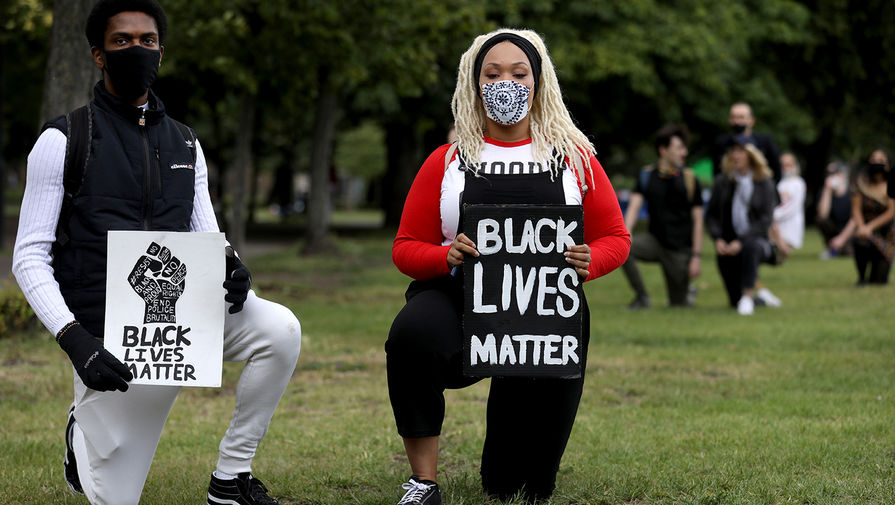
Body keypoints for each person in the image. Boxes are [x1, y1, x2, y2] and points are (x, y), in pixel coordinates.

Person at [11, 2, 301, 504]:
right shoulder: (62, 140)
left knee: (278, 329)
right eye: (122, 41)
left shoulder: (187, 143)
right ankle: (83, 427)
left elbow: (207, 234)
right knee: (116, 498)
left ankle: (231, 479)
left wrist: (232, 267)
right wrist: (76, 341)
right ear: (99, 56)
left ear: (161, 53)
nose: (136, 49)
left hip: (177, 323)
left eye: (147, 41)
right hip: (107, 337)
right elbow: (29, 256)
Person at [385, 28, 630, 504]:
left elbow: (615, 238)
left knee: (515, 488)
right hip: (456, 301)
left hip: (544, 313)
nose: (506, 84)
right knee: (411, 334)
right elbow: (405, 246)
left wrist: (591, 260)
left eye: (519, 74)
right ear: (474, 84)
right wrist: (444, 256)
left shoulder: (575, 159)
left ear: (539, 83)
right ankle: (423, 482)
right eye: (492, 73)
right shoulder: (447, 161)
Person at [621, 124, 703, 308]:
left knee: (678, 305)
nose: (684, 152)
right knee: (623, 250)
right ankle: (642, 297)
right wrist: (625, 235)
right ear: (663, 150)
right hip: (655, 242)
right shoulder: (646, 176)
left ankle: (687, 293)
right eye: (679, 148)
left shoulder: (690, 179)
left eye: (684, 148)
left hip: (680, 250)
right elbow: (634, 207)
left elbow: (698, 221)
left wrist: (696, 257)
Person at [705, 138, 777, 315]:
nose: (735, 155)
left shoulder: (764, 183)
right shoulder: (723, 182)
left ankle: (748, 295)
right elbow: (711, 216)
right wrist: (718, 238)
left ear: (751, 155)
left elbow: (765, 220)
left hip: (758, 242)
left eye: (740, 151)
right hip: (729, 244)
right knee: (733, 301)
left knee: (751, 248)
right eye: (733, 151)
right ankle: (758, 298)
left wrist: (742, 241)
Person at [849, 149, 895, 285]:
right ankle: (861, 277)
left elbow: (892, 211)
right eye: (874, 159)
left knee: (879, 281)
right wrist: (862, 227)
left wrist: (870, 227)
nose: (877, 163)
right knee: (860, 240)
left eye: (881, 161)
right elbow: (856, 209)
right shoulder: (861, 183)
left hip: (885, 232)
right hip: (865, 229)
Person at [713, 102, 781, 182]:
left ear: (751, 120)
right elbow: (717, 172)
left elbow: (776, 170)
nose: (737, 122)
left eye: (741, 117)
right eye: (734, 117)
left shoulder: (765, 141)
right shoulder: (722, 143)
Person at [817, 160, 854, 258]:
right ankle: (832, 249)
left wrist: (841, 238)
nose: (831, 177)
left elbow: (855, 219)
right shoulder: (824, 191)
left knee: (848, 252)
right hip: (833, 230)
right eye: (829, 174)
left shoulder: (852, 192)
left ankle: (836, 250)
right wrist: (827, 190)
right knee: (820, 220)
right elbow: (822, 215)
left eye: (834, 174)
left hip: (849, 230)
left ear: (842, 175)